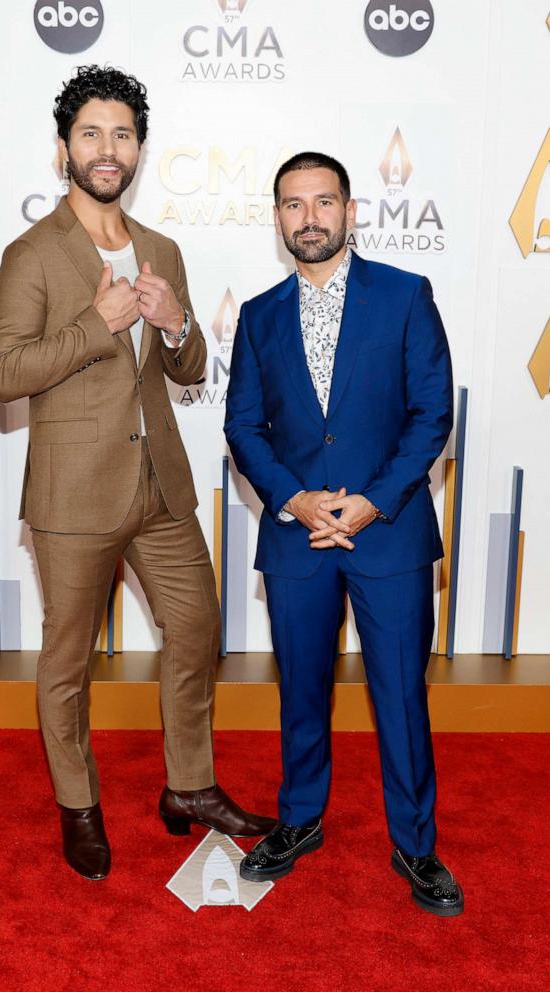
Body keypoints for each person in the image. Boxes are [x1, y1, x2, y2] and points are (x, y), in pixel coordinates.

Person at [0, 65, 275, 881]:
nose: (105, 149)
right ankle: (78, 805)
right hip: (72, 496)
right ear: (63, 151)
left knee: (195, 629)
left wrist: (176, 320)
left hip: (160, 488)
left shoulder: (162, 248)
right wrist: (95, 322)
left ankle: (188, 786)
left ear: (138, 149)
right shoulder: (32, 254)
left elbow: (185, 369)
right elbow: (4, 373)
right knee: (67, 661)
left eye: (120, 135)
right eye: (89, 134)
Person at [224, 151, 464, 916]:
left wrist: (373, 501)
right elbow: (242, 425)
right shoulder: (259, 315)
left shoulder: (403, 296)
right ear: (277, 219)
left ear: (350, 210)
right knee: (301, 691)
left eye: (322, 202)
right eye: (292, 205)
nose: (309, 218)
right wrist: (294, 500)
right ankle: (298, 821)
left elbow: (432, 412)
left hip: (385, 532)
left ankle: (416, 845)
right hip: (297, 537)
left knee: (399, 695)